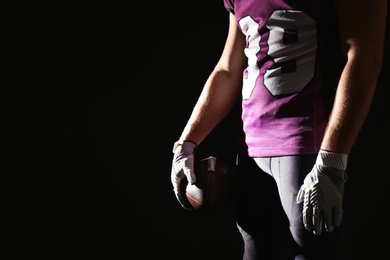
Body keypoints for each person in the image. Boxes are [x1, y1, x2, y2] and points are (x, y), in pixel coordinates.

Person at [170, 0, 387, 259]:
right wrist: (187, 141)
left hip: (308, 146)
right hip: (252, 151)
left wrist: (332, 159)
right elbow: (228, 68)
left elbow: (364, 56)